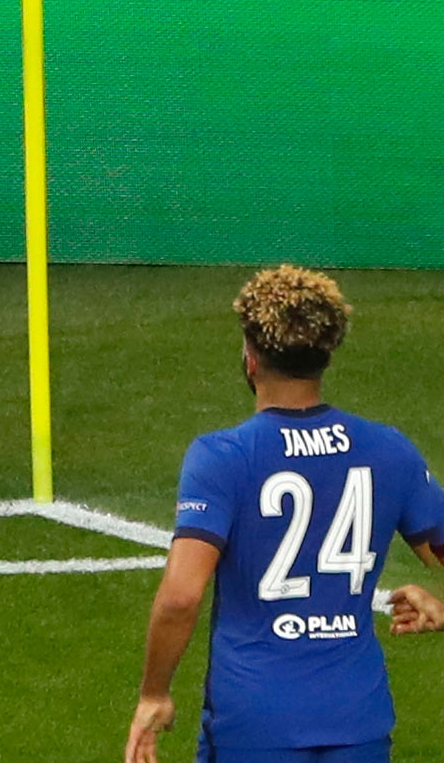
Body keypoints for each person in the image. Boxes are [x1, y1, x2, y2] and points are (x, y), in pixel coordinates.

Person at [125, 266, 444, 763]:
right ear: (325, 355)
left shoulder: (222, 457)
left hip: (253, 724)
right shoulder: (390, 451)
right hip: (358, 722)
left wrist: (154, 694)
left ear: (251, 359)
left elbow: (181, 598)